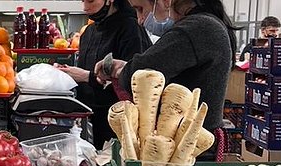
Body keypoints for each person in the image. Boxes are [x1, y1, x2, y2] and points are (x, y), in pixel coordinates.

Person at [96, 0, 237, 149]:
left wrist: (120, 71)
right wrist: (123, 68)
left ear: (165, 1)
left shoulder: (196, 28)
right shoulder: (207, 24)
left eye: (140, 9)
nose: (140, 20)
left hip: (187, 150)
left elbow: (139, 73)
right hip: (188, 145)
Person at [58, 0, 151, 149]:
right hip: (88, 120)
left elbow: (137, 80)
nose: (85, 7)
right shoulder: (88, 33)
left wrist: (86, 76)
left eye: (91, 1)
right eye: (83, 1)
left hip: (119, 123)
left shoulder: (131, 28)